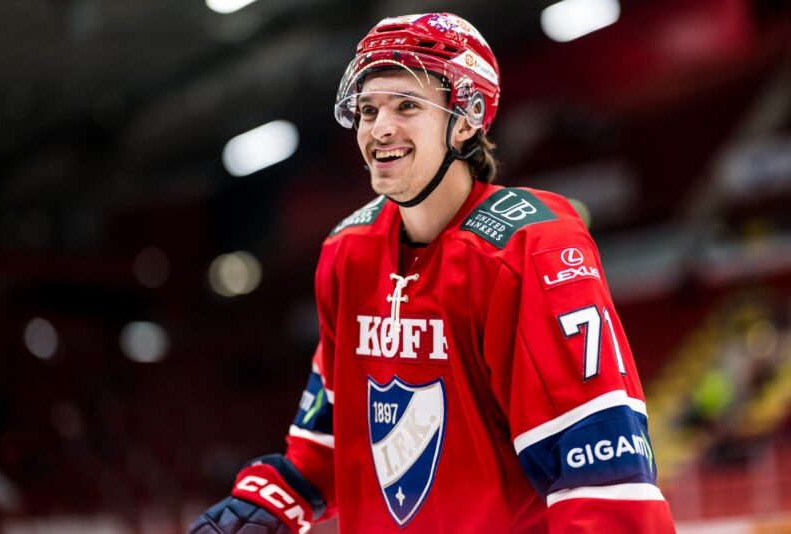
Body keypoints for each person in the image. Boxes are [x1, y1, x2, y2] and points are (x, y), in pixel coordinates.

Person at [190, 12, 676, 533]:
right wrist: (272, 501)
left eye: (407, 105)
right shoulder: (347, 252)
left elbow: (606, 481)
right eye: (368, 109)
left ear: (466, 119)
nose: (380, 128)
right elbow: (330, 436)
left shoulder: (530, 247)